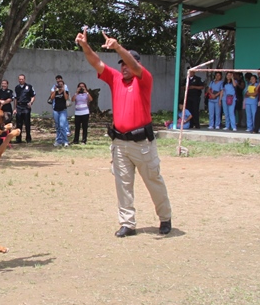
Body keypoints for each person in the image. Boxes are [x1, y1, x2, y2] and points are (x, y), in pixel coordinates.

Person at [75, 29, 172, 237]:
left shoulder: (144, 78)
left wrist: (118, 47)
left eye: (127, 63)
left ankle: (165, 217)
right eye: (122, 64)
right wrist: (85, 46)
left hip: (142, 144)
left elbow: (135, 67)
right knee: (123, 185)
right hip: (120, 142)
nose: (124, 67)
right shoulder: (116, 79)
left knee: (153, 181)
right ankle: (128, 223)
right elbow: (96, 62)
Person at [14, 74, 36, 143]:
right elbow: (15, 99)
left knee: (27, 123)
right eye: (20, 79)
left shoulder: (29, 87)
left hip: (26, 107)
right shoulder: (17, 87)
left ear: (24, 79)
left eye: (22, 79)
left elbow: (33, 96)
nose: (21, 80)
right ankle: (18, 139)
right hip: (19, 107)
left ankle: (28, 138)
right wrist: (15, 108)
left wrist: (31, 102)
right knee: (18, 124)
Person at [50, 78, 69, 147]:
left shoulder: (65, 91)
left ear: (63, 85)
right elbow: (52, 98)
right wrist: (55, 91)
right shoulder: (56, 91)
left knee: (62, 126)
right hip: (56, 110)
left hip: (63, 110)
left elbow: (66, 98)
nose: (60, 86)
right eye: (59, 84)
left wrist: (63, 90)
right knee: (57, 126)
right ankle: (58, 141)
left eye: (61, 85)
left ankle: (65, 141)